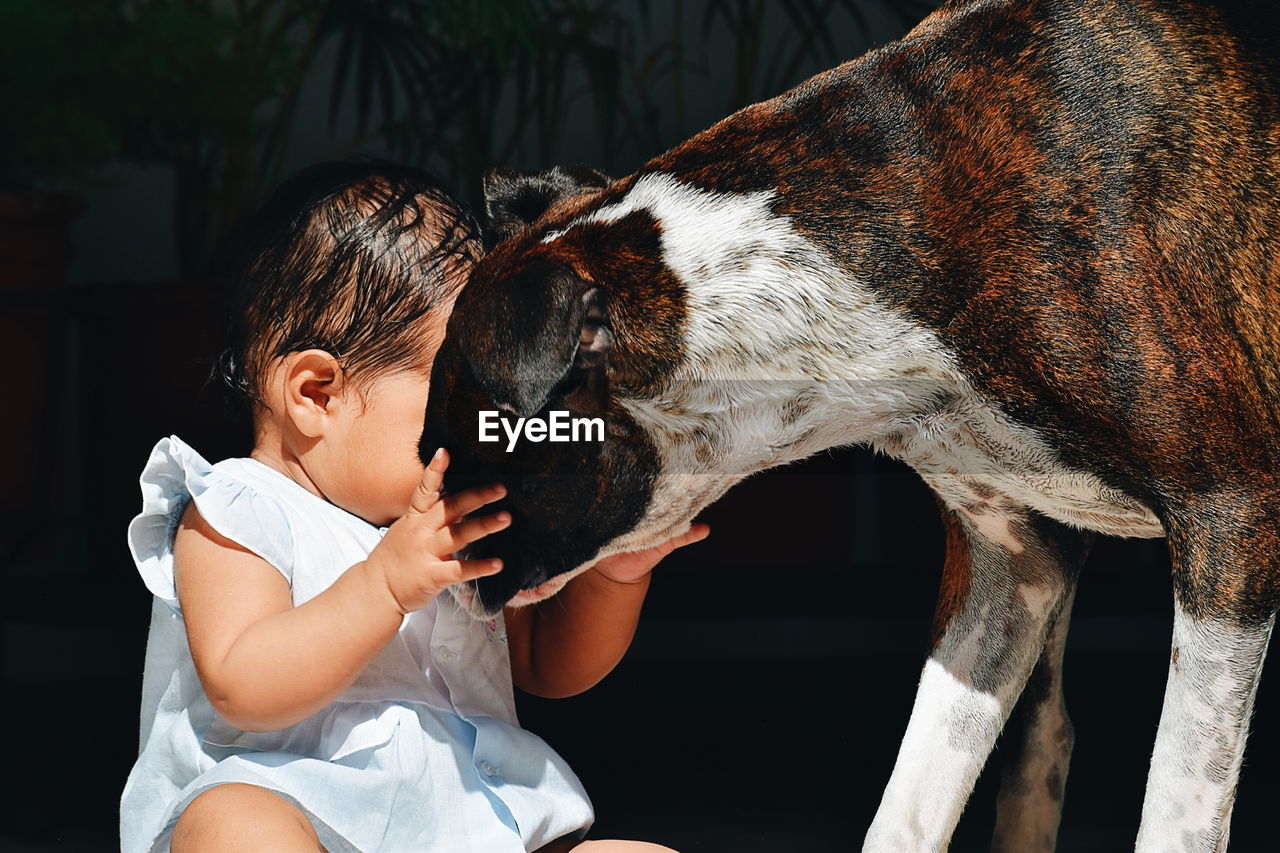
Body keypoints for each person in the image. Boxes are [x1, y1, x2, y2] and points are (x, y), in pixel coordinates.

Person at [120, 160, 709, 853]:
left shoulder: (450, 522)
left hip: (475, 827)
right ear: (316, 393)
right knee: (233, 823)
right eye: (453, 405)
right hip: (312, 822)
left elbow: (548, 664)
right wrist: (384, 584)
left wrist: (616, 573)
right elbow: (241, 682)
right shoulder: (237, 509)